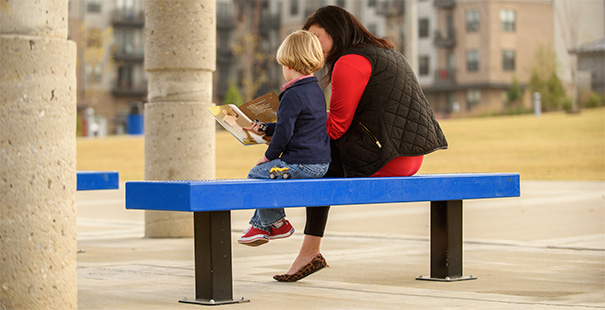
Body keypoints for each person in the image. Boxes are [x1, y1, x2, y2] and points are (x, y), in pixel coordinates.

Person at [271, 5, 448, 282]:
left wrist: (288, 130)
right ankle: (308, 250)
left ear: (336, 33)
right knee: (316, 157)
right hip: (408, 154)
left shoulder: (349, 62)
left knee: (313, 160)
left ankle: (276, 227)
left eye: (316, 38)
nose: (312, 46)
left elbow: (337, 128)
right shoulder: (385, 52)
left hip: (385, 157)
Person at [237, 30, 331, 247]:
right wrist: (264, 128)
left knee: (257, 174)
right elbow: (296, 125)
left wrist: (268, 156)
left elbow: (285, 133)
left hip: (302, 164)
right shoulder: (314, 89)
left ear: (289, 64)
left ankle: (277, 224)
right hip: (320, 163)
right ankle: (260, 227)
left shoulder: (292, 94)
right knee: (265, 176)